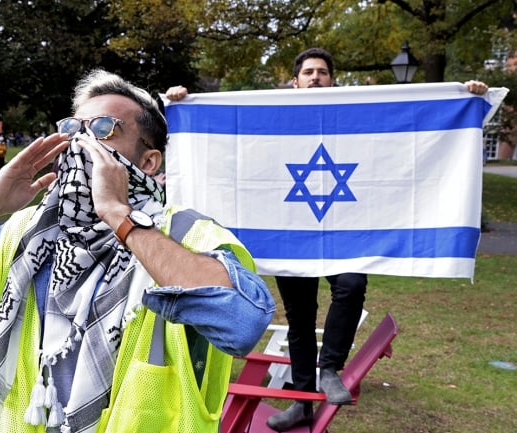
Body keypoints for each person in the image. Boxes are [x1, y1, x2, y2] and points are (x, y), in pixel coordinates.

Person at [0, 69, 275, 433]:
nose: (80, 143)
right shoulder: (28, 234)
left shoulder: (189, 234)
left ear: (149, 161)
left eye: (104, 129)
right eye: (73, 129)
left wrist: (119, 215)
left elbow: (242, 323)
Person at [166, 47, 489, 431]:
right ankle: (302, 401)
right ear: (295, 80)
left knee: (351, 285)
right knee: (300, 319)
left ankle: (330, 368)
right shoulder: (273, 117)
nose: (315, 77)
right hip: (290, 233)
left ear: (332, 80)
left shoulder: (350, 112)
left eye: (322, 72)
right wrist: (182, 105)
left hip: (344, 232)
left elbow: (403, 129)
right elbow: (234, 152)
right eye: (308, 72)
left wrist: (467, 97)